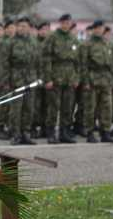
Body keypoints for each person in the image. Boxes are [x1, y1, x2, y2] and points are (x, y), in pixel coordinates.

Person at [42, 13, 79, 144]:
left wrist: (76, 78)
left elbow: (77, 61)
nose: (67, 25)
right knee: (53, 107)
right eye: (64, 22)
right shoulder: (52, 37)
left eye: (69, 23)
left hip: (69, 78)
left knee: (67, 108)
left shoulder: (73, 38)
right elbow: (46, 59)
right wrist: (48, 78)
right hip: (55, 77)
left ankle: (65, 132)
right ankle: (51, 133)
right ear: (60, 23)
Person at [80, 20, 113, 143]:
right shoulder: (87, 45)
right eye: (98, 28)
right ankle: (89, 132)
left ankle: (105, 132)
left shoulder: (106, 44)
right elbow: (83, 64)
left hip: (105, 80)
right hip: (92, 79)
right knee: (91, 108)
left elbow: (111, 64)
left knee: (107, 107)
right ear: (94, 29)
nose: (101, 30)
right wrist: (85, 81)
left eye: (102, 28)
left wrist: (112, 79)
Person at [7, 17, 38, 145]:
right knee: (16, 109)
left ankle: (26, 133)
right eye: (20, 26)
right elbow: (3, 63)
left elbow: (38, 61)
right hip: (16, 78)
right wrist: (5, 80)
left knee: (29, 108)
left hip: (30, 79)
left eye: (24, 26)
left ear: (29, 28)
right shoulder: (11, 42)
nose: (22, 28)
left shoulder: (33, 42)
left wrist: (38, 78)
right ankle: (16, 134)